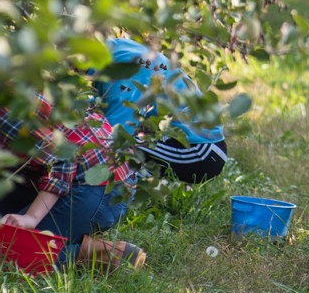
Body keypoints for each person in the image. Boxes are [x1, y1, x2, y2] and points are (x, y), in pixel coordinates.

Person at [0, 78, 146, 271]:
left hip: (100, 186)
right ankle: (66, 237)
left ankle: (99, 252)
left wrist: (31, 217)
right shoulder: (0, 74)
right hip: (102, 173)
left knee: (6, 252)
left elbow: (62, 159)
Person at [94, 37, 228, 184]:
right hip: (195, 144)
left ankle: (123, 193)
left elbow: (113, 137)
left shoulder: (121, 70)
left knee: (121, 143)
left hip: (202, 151)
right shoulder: (117, 47)